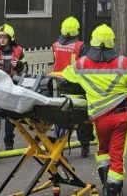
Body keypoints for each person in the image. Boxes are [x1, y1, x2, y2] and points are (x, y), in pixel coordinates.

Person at [63, 24, 127, 196]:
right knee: (117, 157)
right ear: (111, 43)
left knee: (102, 151)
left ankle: (106, 183)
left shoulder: (82, 63)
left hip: (99, 119)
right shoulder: (123, 62)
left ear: (93, 41)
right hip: (120, 116)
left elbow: (67, 74)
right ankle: (112, 190)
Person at [0, 24, 25, 164]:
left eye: (5, 37)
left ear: (10, 38)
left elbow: (24, 69)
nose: (2, 40)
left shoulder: (19, 51)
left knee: (10, 120)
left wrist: (18, 65)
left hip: (12, 89)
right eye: (0, 37)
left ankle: (9, 145)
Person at [52, 16, 92, 157]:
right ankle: (84, 145)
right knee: (79, 116)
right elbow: (85, 66)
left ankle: (58, 148)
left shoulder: (55, 45)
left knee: (59, 117)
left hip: (57, 84)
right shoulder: (80, 46)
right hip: (74, 85)